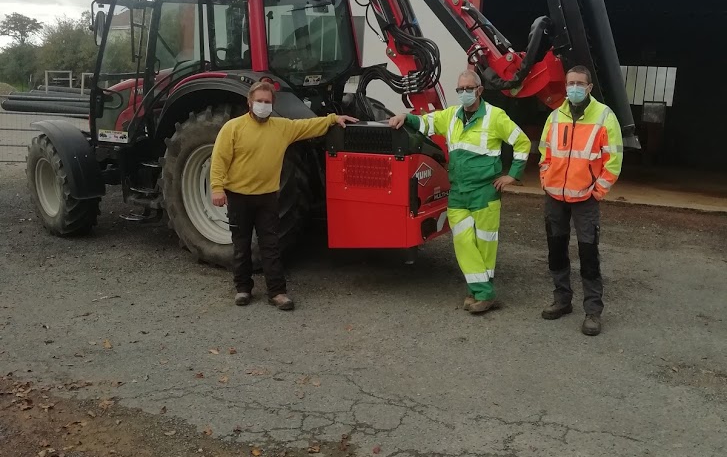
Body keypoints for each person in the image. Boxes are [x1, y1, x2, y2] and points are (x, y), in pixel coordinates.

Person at [389, 70, 531, 313]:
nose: (464, 93)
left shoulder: (495, 116)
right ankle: (484, 291)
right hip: (458, 192)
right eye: (460, 89)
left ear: (479, 90)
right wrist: (405, 116)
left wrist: (513, 175)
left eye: (468, 88)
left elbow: (522, 142)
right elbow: (426, 122)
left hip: (485, 192)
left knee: (485, 245)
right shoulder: (451, 116)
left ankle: (479, 292)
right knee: (463, 241)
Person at [210, 81, 357, 310]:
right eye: (259, 101)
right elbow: (219, 159)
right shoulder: (233, 128)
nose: (263, 105)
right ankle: (243, 288)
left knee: (271, 246)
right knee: (241, 245)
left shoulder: (282, 128)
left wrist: (332, 119)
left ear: (273, 104)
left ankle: (277, 292)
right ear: (249, 102)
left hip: (267, 197)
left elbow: (307, 126)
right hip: (239, 197)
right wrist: (217, 188)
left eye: (267, 102)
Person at [539, 65, 623, 336]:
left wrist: (598, 191)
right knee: (556, 250)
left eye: (579, 83)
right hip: (555, 197)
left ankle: (593, 311)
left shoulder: (604, 116)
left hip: (586, 198)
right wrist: (545, 178)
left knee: (588, 254)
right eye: (570, 83)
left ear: (589, 87)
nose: (573, 88)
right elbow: (544, 152)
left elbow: (614, 159)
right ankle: (562, 299)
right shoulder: (555, 116)